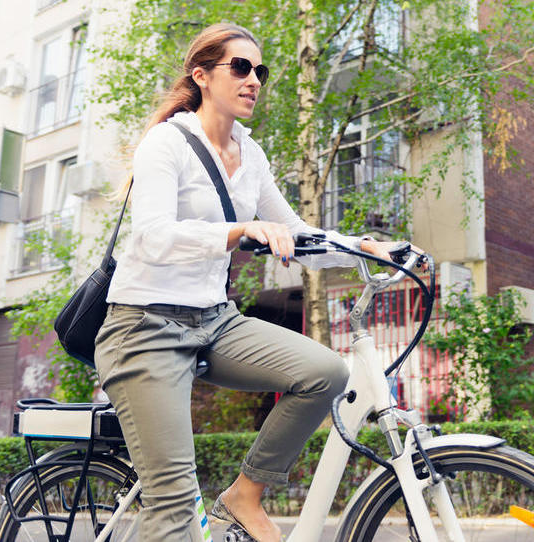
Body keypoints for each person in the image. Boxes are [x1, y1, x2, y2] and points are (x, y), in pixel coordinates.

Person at [94, 22, 408, 542]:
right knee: (173, 511)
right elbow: (152, 236)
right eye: (240, 67)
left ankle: (245, 495)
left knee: (325, 372)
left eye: (259, 70)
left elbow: (297, 234)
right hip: (144, 327)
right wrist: (240, 230)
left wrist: (363, 246)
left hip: (214, 322)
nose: (254, 79)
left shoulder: (252, 154)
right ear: (202, 76)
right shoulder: (165, 143)